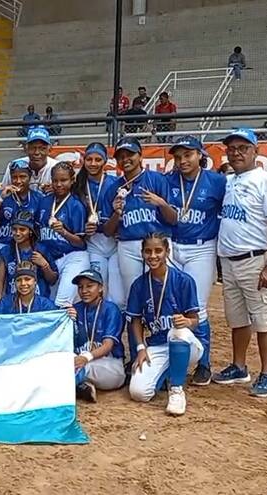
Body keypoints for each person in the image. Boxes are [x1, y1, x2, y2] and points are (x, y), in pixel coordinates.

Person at [213, 128, 267, 398]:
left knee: (263, 319)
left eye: (243, 148)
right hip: (230, 261)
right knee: (237, 318)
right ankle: (239, 366)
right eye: (232, 149)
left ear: (256, 151)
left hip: (256, 260)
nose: (236, 153)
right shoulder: (228, 181)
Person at [166, 136, 226, 386]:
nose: (182, 161)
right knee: (171, 304)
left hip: (201, 247)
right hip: (172, 245)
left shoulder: (217, 182)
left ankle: (204, 363)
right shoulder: (169, 180)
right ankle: (172, 360)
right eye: (178, 157)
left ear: (201, 155)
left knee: (196, 306)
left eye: (188, 155)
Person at [128, 233, 204, 415]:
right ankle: (169, 372)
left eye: (158, 251)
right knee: (138, 393)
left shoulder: (183, 280)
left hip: (186, 344)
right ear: (142, 253)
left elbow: (195, 321)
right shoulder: (139, 284)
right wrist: (140, 348)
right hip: (157, 345)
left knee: (178, 331)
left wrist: (187, 321)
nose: (153, 256)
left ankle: (176, 389)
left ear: (167, 252)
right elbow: (136, 319)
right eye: (148, 251)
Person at [102, 137, 176, 317]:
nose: (125, 159)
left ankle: (163, 332)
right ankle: (137, 334)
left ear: (140, 156)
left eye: (130, 155)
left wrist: (161, 203)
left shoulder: (157, 180)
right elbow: (107, 231)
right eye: (121, 156)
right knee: (134, 296)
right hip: (128, 245)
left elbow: (174, 219)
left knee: (164, 292)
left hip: (157, 243)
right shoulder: (113, 188)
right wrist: (116, 213)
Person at [72, 142, 122, 305]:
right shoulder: (77, 186)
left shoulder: (116, 183)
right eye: (89, 159)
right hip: (93, 244)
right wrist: (84, 230)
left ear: (105, 161)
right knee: (96, 291)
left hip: (115, 244)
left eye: (98, 159)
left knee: (118, 296)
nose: (93, 163)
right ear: (83, 160)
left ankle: (114, 320)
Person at [0, 159, 44, 291]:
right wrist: (1, 198)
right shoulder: (2, 195)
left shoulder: (38, 198)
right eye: (14, 177)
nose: (18, 181)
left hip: (25, 245)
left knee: (22, 280)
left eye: (23, 177)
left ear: (30, 177)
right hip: (1, 241)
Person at [35, 162, 90, 306]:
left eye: (63, 180)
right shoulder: (44, 201)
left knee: (62, 302)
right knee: (49, 303)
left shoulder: (76, 205)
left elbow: (81, 243)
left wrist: (64, 232)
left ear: (72, 180)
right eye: (55, 180)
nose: (59, 184)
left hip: (72, 257)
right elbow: (37, 232)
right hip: (51, 259)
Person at [68, 269, 125, 402]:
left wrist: (86, 358)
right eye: (80, 287)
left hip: (107, 363)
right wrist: (68, 320)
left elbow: (108, 346)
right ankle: (81, 387)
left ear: (100, 288)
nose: (84, 291)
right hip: (79, 360)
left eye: (89, 286)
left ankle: (73, 385)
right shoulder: (75, 309)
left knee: (78, 368)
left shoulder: (111, 309)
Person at [0, 210, 57, 299]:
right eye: (14, 229)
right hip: (13, 300)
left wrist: (44, 265)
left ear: (30, 231)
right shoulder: (6, 251)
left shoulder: (42, 250)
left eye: (22, 229)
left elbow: (53, 280)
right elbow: (0, 280)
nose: (17, 233)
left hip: (39, 300)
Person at [0, 126, 58, 193]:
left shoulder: (57, 167)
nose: (37, 152)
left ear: (49, 150)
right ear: (26, 149)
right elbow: (3, 191)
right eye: (32, 148)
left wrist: (56, 190)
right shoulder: (14, 165)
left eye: (42, 148)